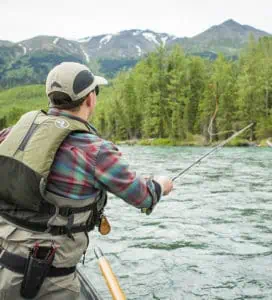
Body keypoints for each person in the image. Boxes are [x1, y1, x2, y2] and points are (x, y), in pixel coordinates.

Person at [0, 62, 173, 299]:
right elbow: (143, 197)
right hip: (51, 283)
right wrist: (161, 185)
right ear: (91, 98)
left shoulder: (10, 134)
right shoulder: (95, 151)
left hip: (4, 266)